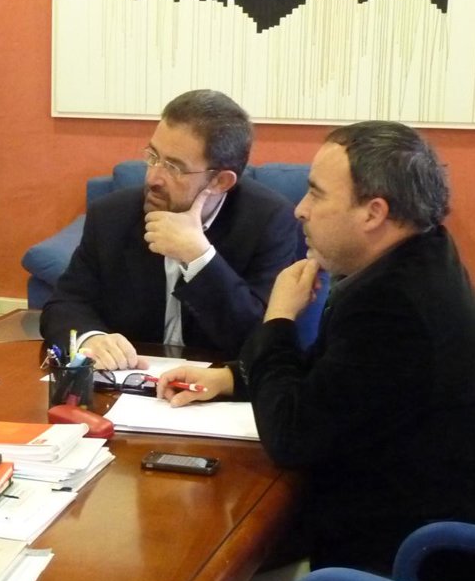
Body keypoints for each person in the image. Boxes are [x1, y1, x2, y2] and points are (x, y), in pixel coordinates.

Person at [157, 120, 475, 581]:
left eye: (316, 194)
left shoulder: (395, 305)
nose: (300, 209)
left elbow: (292, 436)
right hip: (421, 526)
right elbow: (340, 381)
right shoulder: (416, 259)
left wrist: (277, 320)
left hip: (432, 562)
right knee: (225, 576)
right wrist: (232, 377)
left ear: (374, 212)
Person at [40, 89, 299, 370]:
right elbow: (64, 304)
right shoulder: (112, 215)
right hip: (129, 379)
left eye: (174, 167)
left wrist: (200, 258)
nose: (153, 178)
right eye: (153, 156)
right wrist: (91, 339)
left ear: (220, 181)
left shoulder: (269, 222)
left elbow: (260, 339)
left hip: (218, 386)